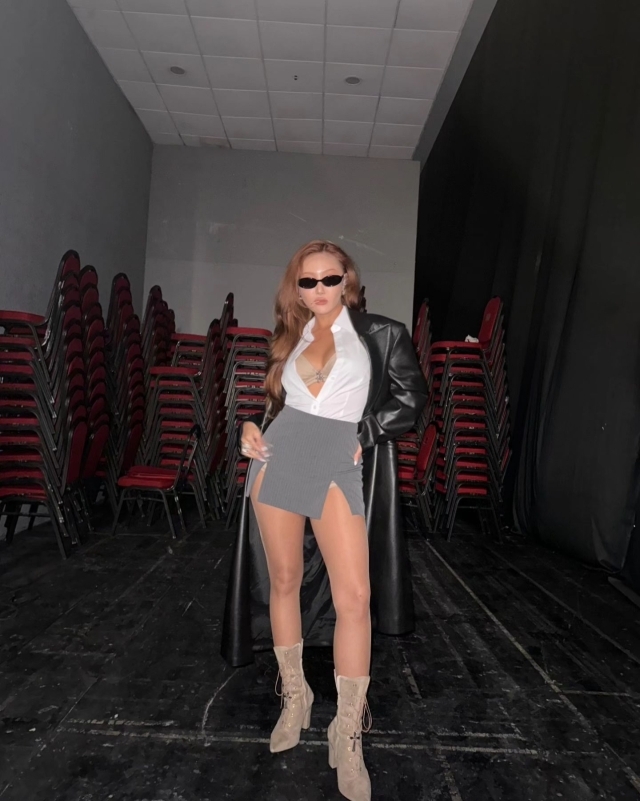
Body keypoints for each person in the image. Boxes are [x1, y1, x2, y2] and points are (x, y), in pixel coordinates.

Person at [221, 240, 427, 801]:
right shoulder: (290, 335)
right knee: (284, 581)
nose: (318, 289)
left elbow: (413, 398)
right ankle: (297, 699)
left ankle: (348, 730)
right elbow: (277, 405)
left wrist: (368, 433)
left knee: (354, 597)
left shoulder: (380, 333)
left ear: (347, 281)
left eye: (329, 279)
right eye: (307, 281)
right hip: (282, 454)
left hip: (338, 455)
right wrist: (250, 426)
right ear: (296, 287)